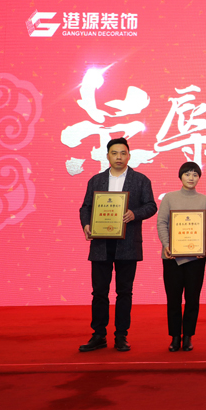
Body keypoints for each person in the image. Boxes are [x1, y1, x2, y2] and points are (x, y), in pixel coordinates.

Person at [78, 137, 157, 352]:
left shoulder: (140, 180)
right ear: (107, 156)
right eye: (114, 153)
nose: (119, 157)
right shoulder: (96, 180)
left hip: (127, 244)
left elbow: (151, 206)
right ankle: (98, 335)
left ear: (129, 156)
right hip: (101, 244)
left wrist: (134, 213)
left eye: (123, 153)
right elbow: (85, 207)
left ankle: (121, 335)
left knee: (124, 292)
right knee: (99, 292)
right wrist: (86, 224)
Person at [156, 162, 206, 352]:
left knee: (192, 298)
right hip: (172, 257)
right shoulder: (169, 198)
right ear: (180, 176)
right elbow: (162, 222)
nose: (191, 178)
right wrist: (167, 245)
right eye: (187, 174)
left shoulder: (205, 200)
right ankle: (175, 337)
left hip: (196, 257)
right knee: (173, 299)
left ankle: (188, 336)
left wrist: (203, 246)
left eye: (195, 175)